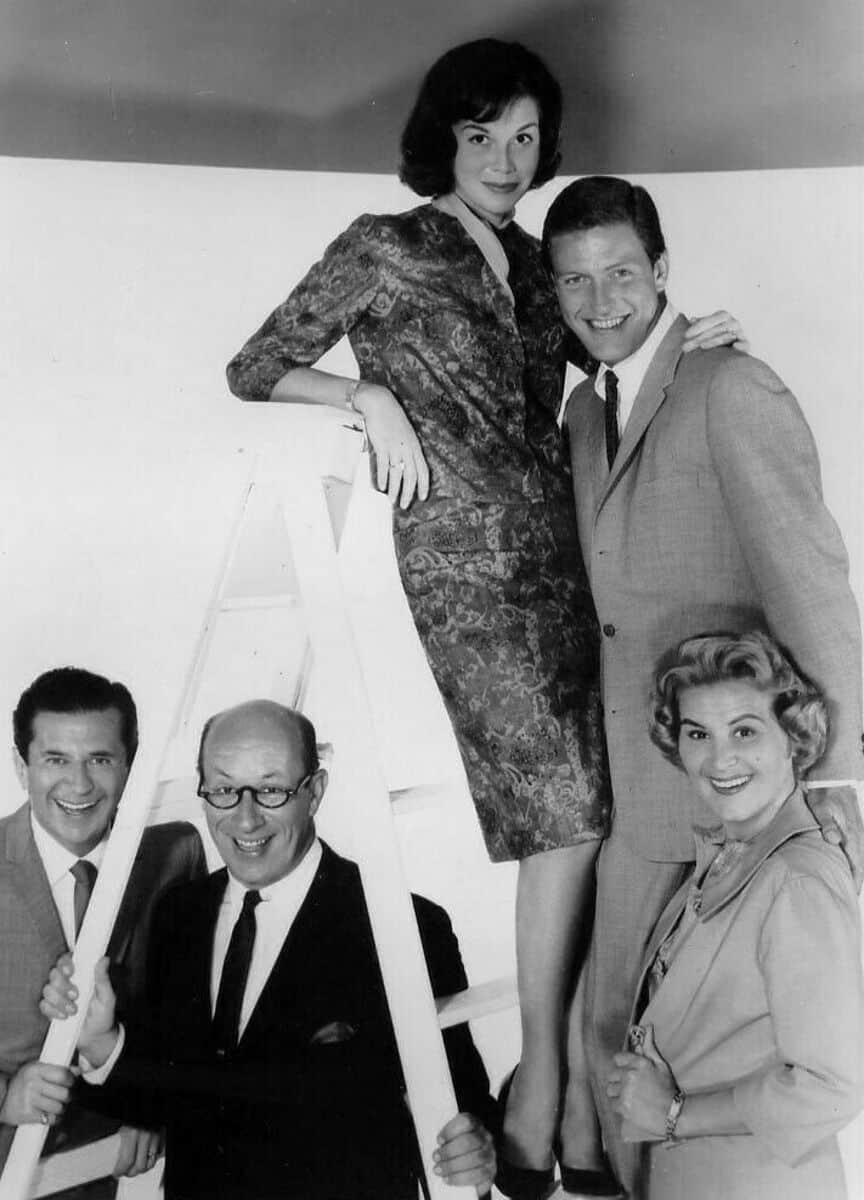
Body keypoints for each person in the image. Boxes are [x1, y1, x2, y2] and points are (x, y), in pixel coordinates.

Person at [225, 39, 743, 1193]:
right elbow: (254, 366)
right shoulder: (385, 246)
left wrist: (696, 338)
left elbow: (613, 347)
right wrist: (365, 393)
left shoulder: (537, 261)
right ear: (443, 139)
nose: (506, 159)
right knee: (564, 821)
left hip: (570, 554)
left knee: (599, 814)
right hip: (465, 566)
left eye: (524, 137)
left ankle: (561, 1086)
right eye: (481, 135)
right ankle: (547, 1090)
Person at [542, 174, 863, 1192]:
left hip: (743, 786)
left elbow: (812, 584)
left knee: (739, 1053)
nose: (601, 301)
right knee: (618, 1031)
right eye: (575, 281)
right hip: (643, 790)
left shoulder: (732, 387)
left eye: (621, 274)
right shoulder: (583, 414)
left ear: (663, 270)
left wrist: (835, 786)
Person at [42, 700, 497, 1200]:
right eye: (223, 790)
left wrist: (478, 1148)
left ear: (315, 792)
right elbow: (166, 1095)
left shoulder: (405, 924)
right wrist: (100, 1042)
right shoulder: (179, 913)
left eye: (271, 790)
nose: (245, 819)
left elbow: (465, 1108)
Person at [606, 631, 863, 1199]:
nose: (720, 759)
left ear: (794, 737)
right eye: (698, 733)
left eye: (745, 730)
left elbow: (835, 1085)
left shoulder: (795, 879)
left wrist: (674, 1113)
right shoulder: (730, 859)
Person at [0, 667, 206, 1195]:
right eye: (56, 759)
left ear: (130, 766)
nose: (79, 784)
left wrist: (148, 1104)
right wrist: (4, 1096)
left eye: (100, 759)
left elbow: (191, 1024)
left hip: (101, 1173)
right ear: (21, 767)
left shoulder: (174, 856)